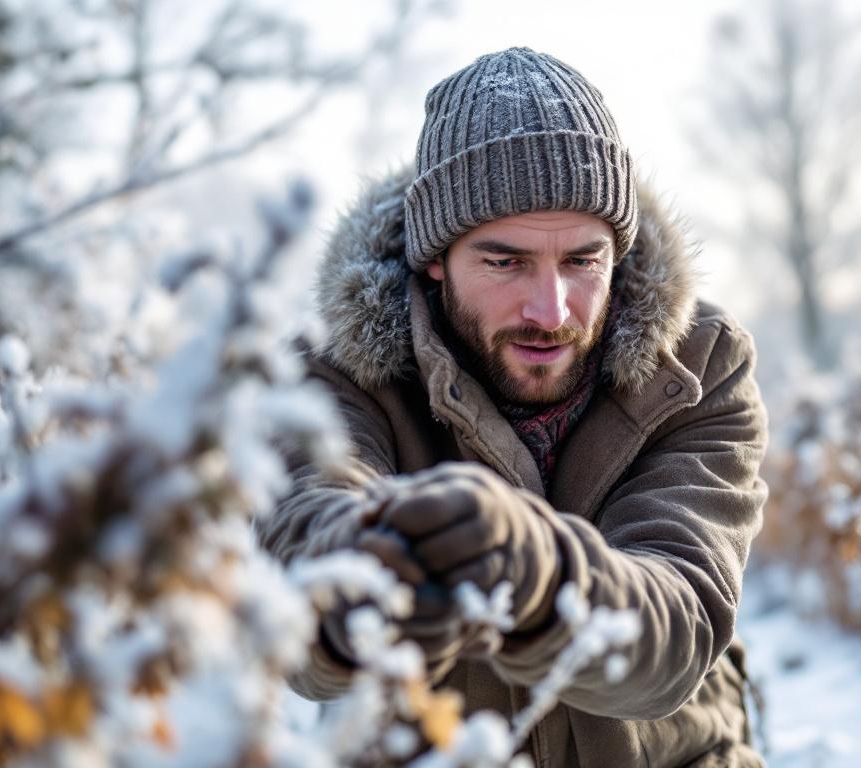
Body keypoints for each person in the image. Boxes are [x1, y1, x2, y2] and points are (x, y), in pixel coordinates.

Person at [260, 47, 768, 767]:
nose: (551, 310)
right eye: (505, 262)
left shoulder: (698, 367)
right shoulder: (333, 376)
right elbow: (302, 570)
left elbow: (677, 631)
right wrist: (371, 573)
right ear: (432, 257)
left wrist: (540, 579)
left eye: (583, 261)